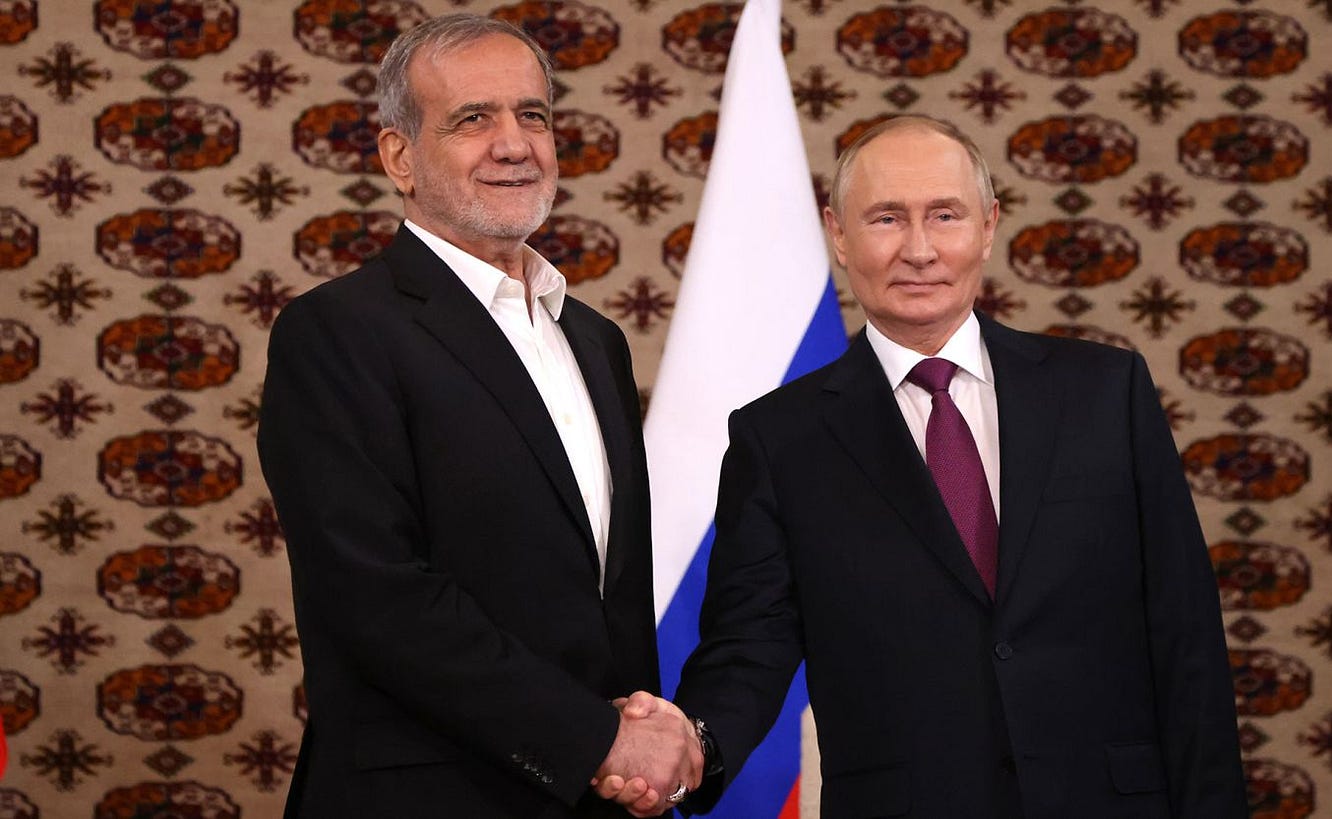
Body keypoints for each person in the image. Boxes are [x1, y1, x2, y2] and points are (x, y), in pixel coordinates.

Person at [604, 116, 1246, 817]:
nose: (918, 249)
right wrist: (694, 742)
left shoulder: (1105, 394)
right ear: (840, 236)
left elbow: (1186, 643)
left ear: (989, 226)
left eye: (944, 215)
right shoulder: (780, 438)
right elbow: (750, 643)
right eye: (886, 218)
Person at [257, 15, 700, 818]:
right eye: (472, 119)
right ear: (399, 156)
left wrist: (633, 751)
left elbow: (609, 604)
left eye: (533, 114)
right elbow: (381, 599)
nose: (514, 143)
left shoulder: (595, 341)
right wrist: (594, 741)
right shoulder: (336, 333)